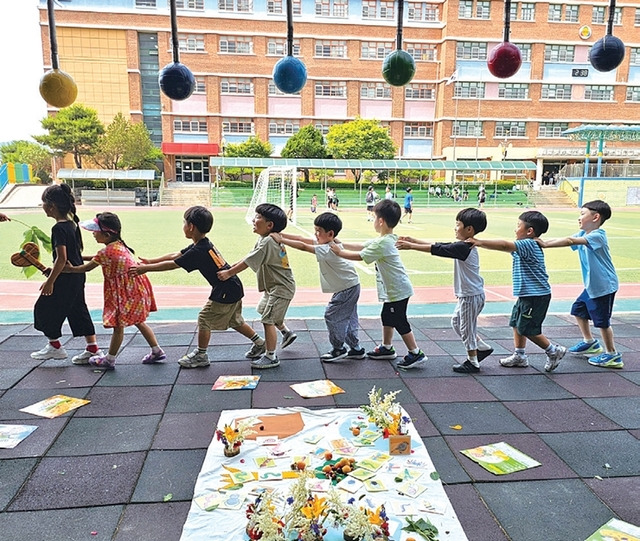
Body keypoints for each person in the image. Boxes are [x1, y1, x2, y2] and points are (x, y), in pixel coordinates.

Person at [129, 206, 266, 368]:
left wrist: (145, 269)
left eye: (184, 223)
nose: (183, 226)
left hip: (226, 290)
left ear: (191, 226)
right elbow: (176, 255)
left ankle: (201, 355)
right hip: (232, 286)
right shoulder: (202, 244)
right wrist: (151, 261)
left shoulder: (199, 250)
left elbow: (173, 264)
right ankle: (260, 343)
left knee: (204, 319)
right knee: (235, 321)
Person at [330, 199, 426, 370]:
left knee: (399, 320)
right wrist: (338, 242)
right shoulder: (385, 239)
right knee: (387, 316)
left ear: (380, 221)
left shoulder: (383, 243)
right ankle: (387, 348)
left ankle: (415, 352)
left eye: (375, 218)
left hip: (398, 290)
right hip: (395, 289)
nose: (374, 221)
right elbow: (360, 245)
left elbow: (360, 255)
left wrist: (339, 252)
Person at [397, 208, 494, 374]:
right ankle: (481, 347)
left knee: (467, 329)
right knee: (457, 323)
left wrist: (411, 246)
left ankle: (473, 362)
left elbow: (439, 249)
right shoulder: (463, 245)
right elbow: (441, 245)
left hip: (471, 296)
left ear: (469, 229)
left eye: (458, 225)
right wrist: (413, 240)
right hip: (468, 295)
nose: (455, 228)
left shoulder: (465, 247)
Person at [467, 210, 566, 372]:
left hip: (536, 296)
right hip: (527, 295)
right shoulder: (526, 245)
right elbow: (507, 248)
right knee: (516, 322)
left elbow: (505, 245)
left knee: (527, 329)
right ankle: (519, 355)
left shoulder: (528, 244)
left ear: (529, 231)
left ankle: (553, 351)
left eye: (518, 226)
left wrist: (479, 242)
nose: (515, 229)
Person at [65, 212, 164, 370]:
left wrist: (70, 269)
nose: (93, 234)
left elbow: (86, 268)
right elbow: (97, 258)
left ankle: (109, 360)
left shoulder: (106, 252)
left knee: (118, 326)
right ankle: (156, 351)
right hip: (135, 290)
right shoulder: (118, 245)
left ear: (106, 234)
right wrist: (81, 256)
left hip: (124, 293)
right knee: (139, 321)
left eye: (95, 232)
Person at [536, 200, 622, 368]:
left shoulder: (597, 236)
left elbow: (569, 241)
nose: (579, 217)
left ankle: (612, 354)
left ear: (596, 217)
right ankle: (590, 342)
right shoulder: (583, 234)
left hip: (603, 286)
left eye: (583, 214)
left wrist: (545, 244)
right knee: (578, 309)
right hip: (592, 286)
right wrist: (542, 242)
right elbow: (567, 239)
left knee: (602, 321)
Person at [271, 212, 364, 362]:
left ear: (330, 233)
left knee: (332, 316)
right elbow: (301, 238)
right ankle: (356, 348)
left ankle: (339, 349)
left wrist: (281, 239)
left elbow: (303, 246)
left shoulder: (327, 249)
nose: (315, 234)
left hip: (347, 288)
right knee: (348, 317)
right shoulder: (331, 243)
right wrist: (280, 234)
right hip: (350, 286)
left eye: (318, 231)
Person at [218, 203, 297, 369]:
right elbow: (249, 256)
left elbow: (248, 262)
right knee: (263, 310)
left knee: (267, 319)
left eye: (258, 217)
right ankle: (286, 332)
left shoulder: (268, 241)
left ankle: (271, 356)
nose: (254, 220)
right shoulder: (264, 239)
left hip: (281, 288)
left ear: (269, 225)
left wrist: (229, 273)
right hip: (274, 287)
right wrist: (230, 267)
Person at [31, 184, 103, 362]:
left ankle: (55, 346)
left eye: (43, 203)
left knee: (43, 308)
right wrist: (52, 270)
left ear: (51, 206)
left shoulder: (58, 229)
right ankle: (92, 348)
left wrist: (50, 282)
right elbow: (74, 255)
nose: (43, 207)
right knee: (78, 308)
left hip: (67, 277)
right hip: (77, 276)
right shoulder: (72, 224)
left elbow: (62, 258)